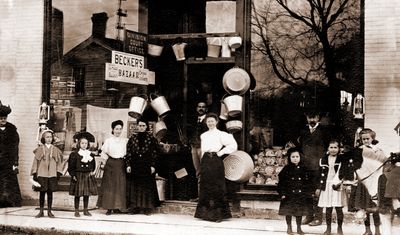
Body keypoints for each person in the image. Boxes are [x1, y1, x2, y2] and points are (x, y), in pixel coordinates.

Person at [194, 113, 237, 222]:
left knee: (217, 186)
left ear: (216, 122)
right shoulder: (203, 135)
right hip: (206, 160)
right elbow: (203, 150)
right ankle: (205, 214)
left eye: (212, 121)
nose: (210, 123)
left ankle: (218, 215)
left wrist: (220, 153)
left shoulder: (221, 134)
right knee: (205, 185)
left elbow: (233, 145)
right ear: (206, 123)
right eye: (208, 121)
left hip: (216, 160)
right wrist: (202, 162)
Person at [296, 110, 331, 226]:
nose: (311, 120)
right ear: (306, 118)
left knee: (317, 193)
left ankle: (318, 218)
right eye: (309, 117)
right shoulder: (303, 131)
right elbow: (300, 148)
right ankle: (309, 216)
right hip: (306, 166)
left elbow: (328, 148)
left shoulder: (324, 131)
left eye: (314, 117)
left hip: (318, 166)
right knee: (306, 192)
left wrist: (323, 162)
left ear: (318, 118)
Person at [351, 128, 386, 235]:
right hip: (363, 182)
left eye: (368, 138)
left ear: (372, 138)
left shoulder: (378, 150)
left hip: (374, 182)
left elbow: (383, 162)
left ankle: (377, 230)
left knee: (375, 207)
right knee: (364, 207)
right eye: (363, 139)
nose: (366, 141)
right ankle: (367, 230)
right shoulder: (359, 150)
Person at [125, 119, 160, 215]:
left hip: (146, 165)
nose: (141, 127)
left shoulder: (152, 139)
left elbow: (155, 153)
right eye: (139, 126)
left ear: (146, 127)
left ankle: (147, 208)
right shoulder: (132, 138)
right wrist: (128, 164)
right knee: (135, 186)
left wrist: (153, 165)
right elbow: (128, 152)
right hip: (135, 165)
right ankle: (135, 207)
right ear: (137, 126)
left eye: (143, 126)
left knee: (146, 186)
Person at [277, 147, 312, 235]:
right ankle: (289, 228)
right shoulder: (286, 169)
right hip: (289, 195)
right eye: (293, 157)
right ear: (289, 158)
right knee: (288, 212)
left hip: (300, 194)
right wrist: (282, 193)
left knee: (299, 212)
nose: (295, 159)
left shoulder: (304, 169)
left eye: (297, 156)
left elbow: (307, 182)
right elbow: (281, 183)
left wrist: (307, 193)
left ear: (300, 157)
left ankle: (299, 228)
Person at [97, 120, 128, 215]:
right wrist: (105, 162)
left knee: (120, 185)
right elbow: (103, 153)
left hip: (121, 164)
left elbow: (128, 154)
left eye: (120, 129)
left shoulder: (125, 141)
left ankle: (118, 207)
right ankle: (109, 208)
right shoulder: (108, 141)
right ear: (113, 129)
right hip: (111, 164)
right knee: (109, 186)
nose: (118, 131)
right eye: (116, 129)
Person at [31, 129, 64, 218]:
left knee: (50, 193)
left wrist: (58, 172)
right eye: (47, 137)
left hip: (52, 174)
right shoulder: (40, 149)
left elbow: (59, 162)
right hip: (42, 174)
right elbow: (35, 162)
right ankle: (41, 211)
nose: (49, 139)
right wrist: (34, 173)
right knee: (42, 193)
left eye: (50, 137)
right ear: (43, 138)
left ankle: (49, 211)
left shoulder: (56, 150)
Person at [316, 140, 346, 235]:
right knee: (328, 208)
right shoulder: (323, 159)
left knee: (338, 208)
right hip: (327, 185)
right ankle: (328, 228)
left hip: (337, 185)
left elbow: (345, 172)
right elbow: (319, 175)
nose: (333, 150)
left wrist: (342, 182)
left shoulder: (342, 159)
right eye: (331, 147)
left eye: (335, 147)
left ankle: (339, 228)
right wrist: (318, 187)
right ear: (328, 149)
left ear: (339, 149)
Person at [68, 132, 98, 217]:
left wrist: (92, 171)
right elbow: (71, 166)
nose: (84, 145)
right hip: (78, 175)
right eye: (82, 143)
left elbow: (93, 165)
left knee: (86, 194)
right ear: (79, 144)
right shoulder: (74, 154)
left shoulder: (90, 154)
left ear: (88, 144)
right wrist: (73, 175)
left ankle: (85, 210)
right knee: (78, 194)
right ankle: (76, 210)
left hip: (87, 175)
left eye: (86, 143)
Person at [0, 101, 22, 208]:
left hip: (8, 161)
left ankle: (11, 202)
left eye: (5, 118)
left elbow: (15, 147)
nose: (3, 120)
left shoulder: (12, 130)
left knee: (9, 182)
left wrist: (15, 162)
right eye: (1, 118)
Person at [188, 101, 209, 201]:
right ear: (197, 108)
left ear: (206, 109)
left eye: (203, 107)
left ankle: (205, 197)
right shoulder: (194, 120)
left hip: (203, 148)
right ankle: (200, 196)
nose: (201, 108)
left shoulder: (208, 121)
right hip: (194, 148)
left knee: (205, 171)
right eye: (199, 107)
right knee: (198, 172)